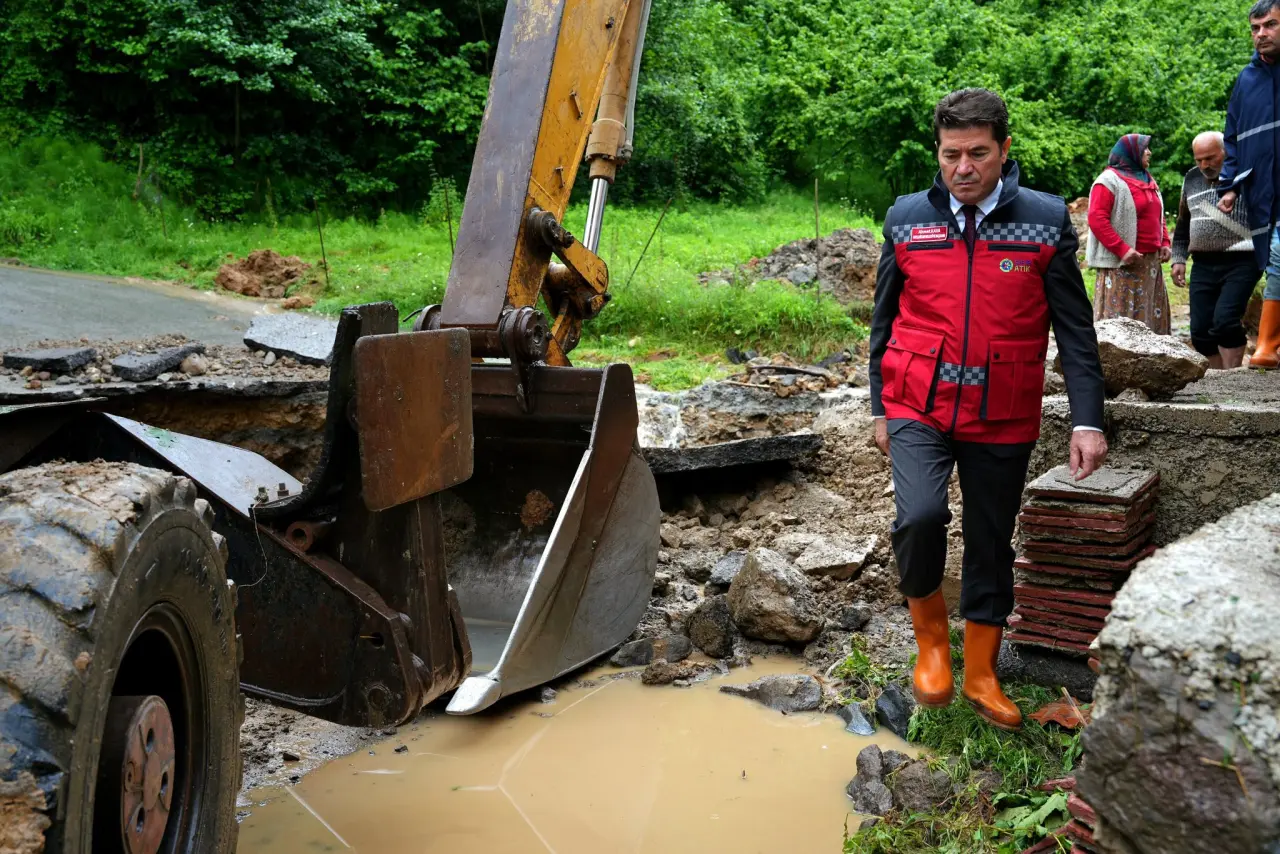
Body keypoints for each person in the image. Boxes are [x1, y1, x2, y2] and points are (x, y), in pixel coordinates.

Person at [869, 89, 1107, 732]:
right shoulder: (906, 219)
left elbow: (1075, 332)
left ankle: (980, 670)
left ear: (1003, 150)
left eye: (978, 153)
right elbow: (883, 320)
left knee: (991, 537)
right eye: (951, 155)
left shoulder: (1045, 220)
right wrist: (879, 406)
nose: (964, 168)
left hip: (1002, 409)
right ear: (938, 153)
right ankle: (932, 646)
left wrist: (1087, 420)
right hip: (916, 401)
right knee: (919, 516)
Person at [1216, 0, 1280, 368]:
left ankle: (1267, 346)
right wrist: (1229, 186)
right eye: (1255, 28)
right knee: (1274, 261)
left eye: (1270, 25)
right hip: (1262, 196)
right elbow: (1233, 138)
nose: (1261, 34)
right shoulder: (1247, 80)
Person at [1171, 132, 1260, 369]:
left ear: (1226, 152)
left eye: (1210, 158)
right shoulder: (1191, 178)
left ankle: (1232, 376)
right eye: (1199, 159)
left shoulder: (1245, 173)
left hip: (1243, 260)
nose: (1204, 165)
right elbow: (1183, 223)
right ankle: (1217, 381)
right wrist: (1179, 258)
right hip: (1203, 262)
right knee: (1200, 331)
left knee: (1225, 321)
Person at [1085, 134, 1173, 334]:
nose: (1149, 153)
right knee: (1121, 326)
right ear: (1131, 153)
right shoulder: (1108, 181)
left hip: (1150, 267)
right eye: (1145, 149)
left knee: (1150, 323)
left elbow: (1158, 214)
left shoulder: (1147, 179)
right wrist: (1122, 249)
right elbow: (1097, 219)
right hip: (1122, 265)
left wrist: (1165, 242)